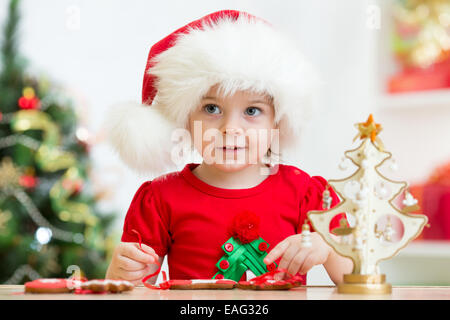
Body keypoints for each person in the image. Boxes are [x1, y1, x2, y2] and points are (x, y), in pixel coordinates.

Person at [105, 10, 353, 286]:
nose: (230, 128)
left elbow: (355, 280)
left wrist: (327, 246)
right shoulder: (160, 200)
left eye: (252, 110)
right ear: (185, 118)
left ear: (277, 122)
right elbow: (135, 289)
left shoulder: (306, 195)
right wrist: (120, 276)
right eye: (212, 108)